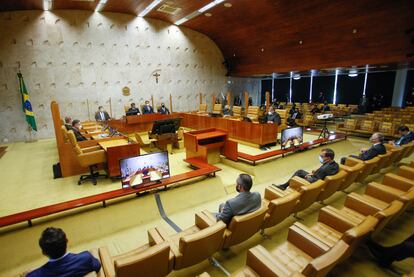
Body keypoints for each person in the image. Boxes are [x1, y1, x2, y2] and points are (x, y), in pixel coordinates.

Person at [27, 227, 101, 277]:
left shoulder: (34, 275)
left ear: (44, 253)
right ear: (67, 241)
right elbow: (97, 265)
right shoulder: (85, 258)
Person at [275, 148, 339, 190]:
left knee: (299, 172)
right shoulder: (335, 165)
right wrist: (315, 173)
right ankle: (284, 185)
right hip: (319, 178)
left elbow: (315, 181)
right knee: (300, 171)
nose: (320, 157)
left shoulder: (324, 169)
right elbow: (322, 174)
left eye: (322, 156)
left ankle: (284, 186)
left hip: (314, 183)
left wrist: (308, 176)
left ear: (328, 158)